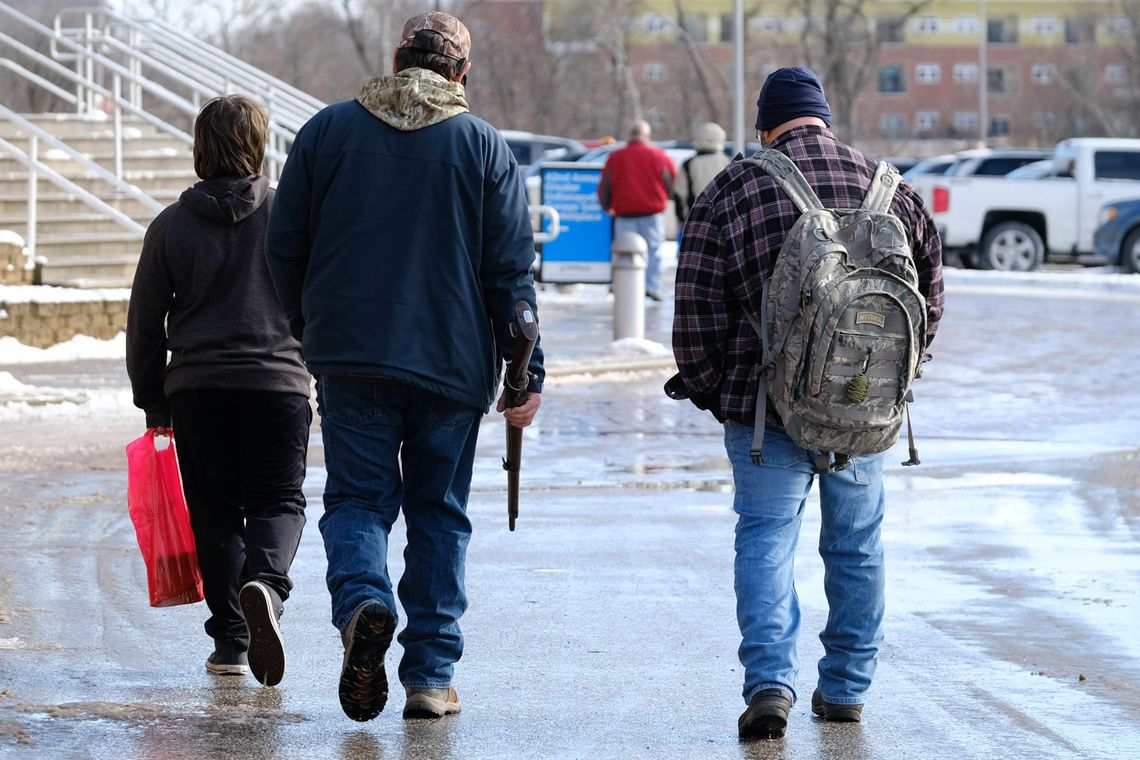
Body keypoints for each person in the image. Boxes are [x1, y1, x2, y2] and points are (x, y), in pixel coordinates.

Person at [264, 10, 543, 723]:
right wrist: (525, 372)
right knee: (438, 514)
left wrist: (307, 326)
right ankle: (430, 675)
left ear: (395, 59)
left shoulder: (327, 132)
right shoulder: (485, 147)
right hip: (453, 363)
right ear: (462, 74)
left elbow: (282, 246)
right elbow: (511, 278)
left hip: (351, 353)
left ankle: (364, 601)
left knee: (358, 501)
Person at [670, 67, 945, 740]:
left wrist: (720, 392)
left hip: (764, 410)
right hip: (863, 410)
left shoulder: (733, 188)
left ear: (766, 125)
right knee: (857, 549)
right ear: (824, 118)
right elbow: (929, 303)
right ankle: (847, 689)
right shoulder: (892, 188)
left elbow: (695, 316)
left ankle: (770, 687)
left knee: (766, 541)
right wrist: (881, 381)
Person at [125, 95, 312, 688]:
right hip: (277, 385)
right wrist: (324, 372)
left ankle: (231, 641)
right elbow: (320, 302)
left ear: (199, 147)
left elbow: (144, 323)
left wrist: (153, 400)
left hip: (199, 390)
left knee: (215, 512)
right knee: (278, 502)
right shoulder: (289, 217)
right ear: (258, 147)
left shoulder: (169, 226)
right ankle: (268, 590)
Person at [597, 119, 677, 301]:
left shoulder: (615, 158)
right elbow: (672, 184)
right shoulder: (660, 156)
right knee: (654, 253)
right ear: (647, 136)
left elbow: (604, 188)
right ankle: (652, 287)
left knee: (623, 252)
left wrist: (607, 207)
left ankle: (623, 286)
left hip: (624, 215)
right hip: (652, 214)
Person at [673, 121, 730, 224]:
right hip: (725, 221)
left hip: (697, 221)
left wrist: (681, 218)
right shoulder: (729, 162)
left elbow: (679, 193)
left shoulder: (689, 164)